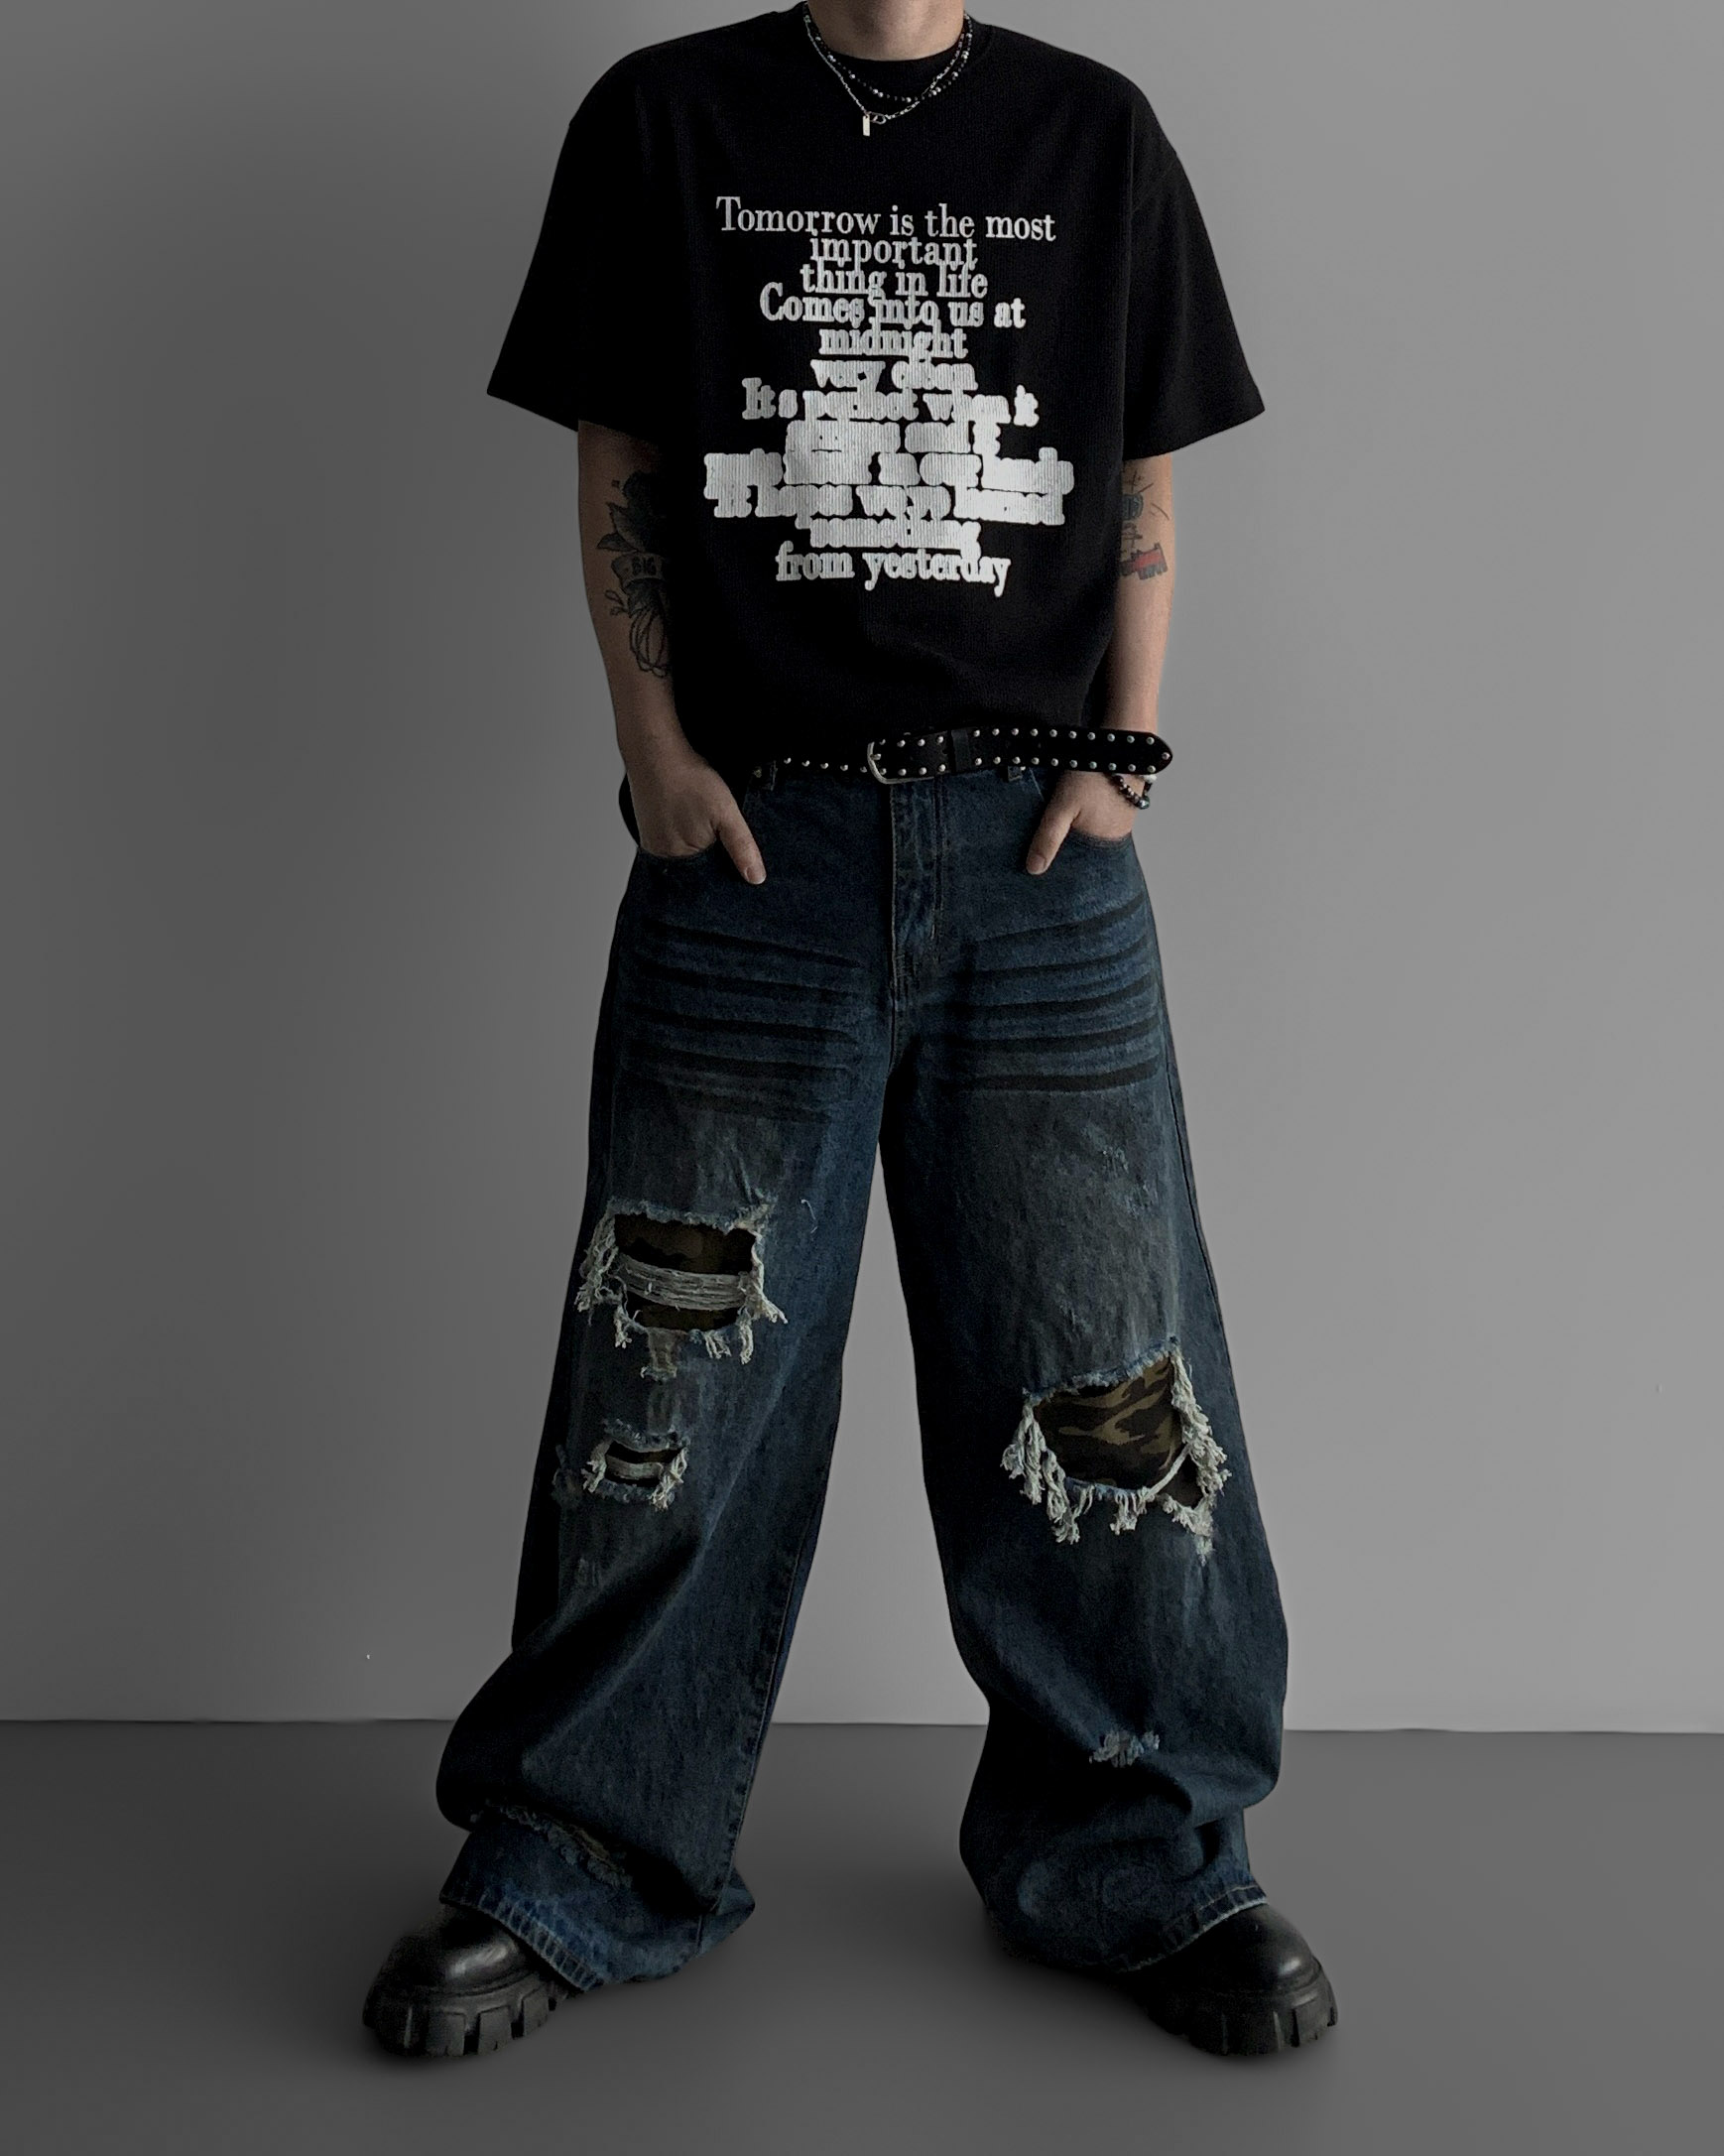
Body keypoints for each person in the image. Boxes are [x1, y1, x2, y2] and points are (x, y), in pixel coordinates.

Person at [363, 0, 1336, 2062]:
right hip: (753, 847)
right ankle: (577, 1856)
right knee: (672, 1365)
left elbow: (1136, 454)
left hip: (1032, 847)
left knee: (1103, 1366)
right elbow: (621, 449)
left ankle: (1145, 1853)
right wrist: (648, 747)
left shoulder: (1093, 132)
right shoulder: (664, 120)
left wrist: (1128, 744)